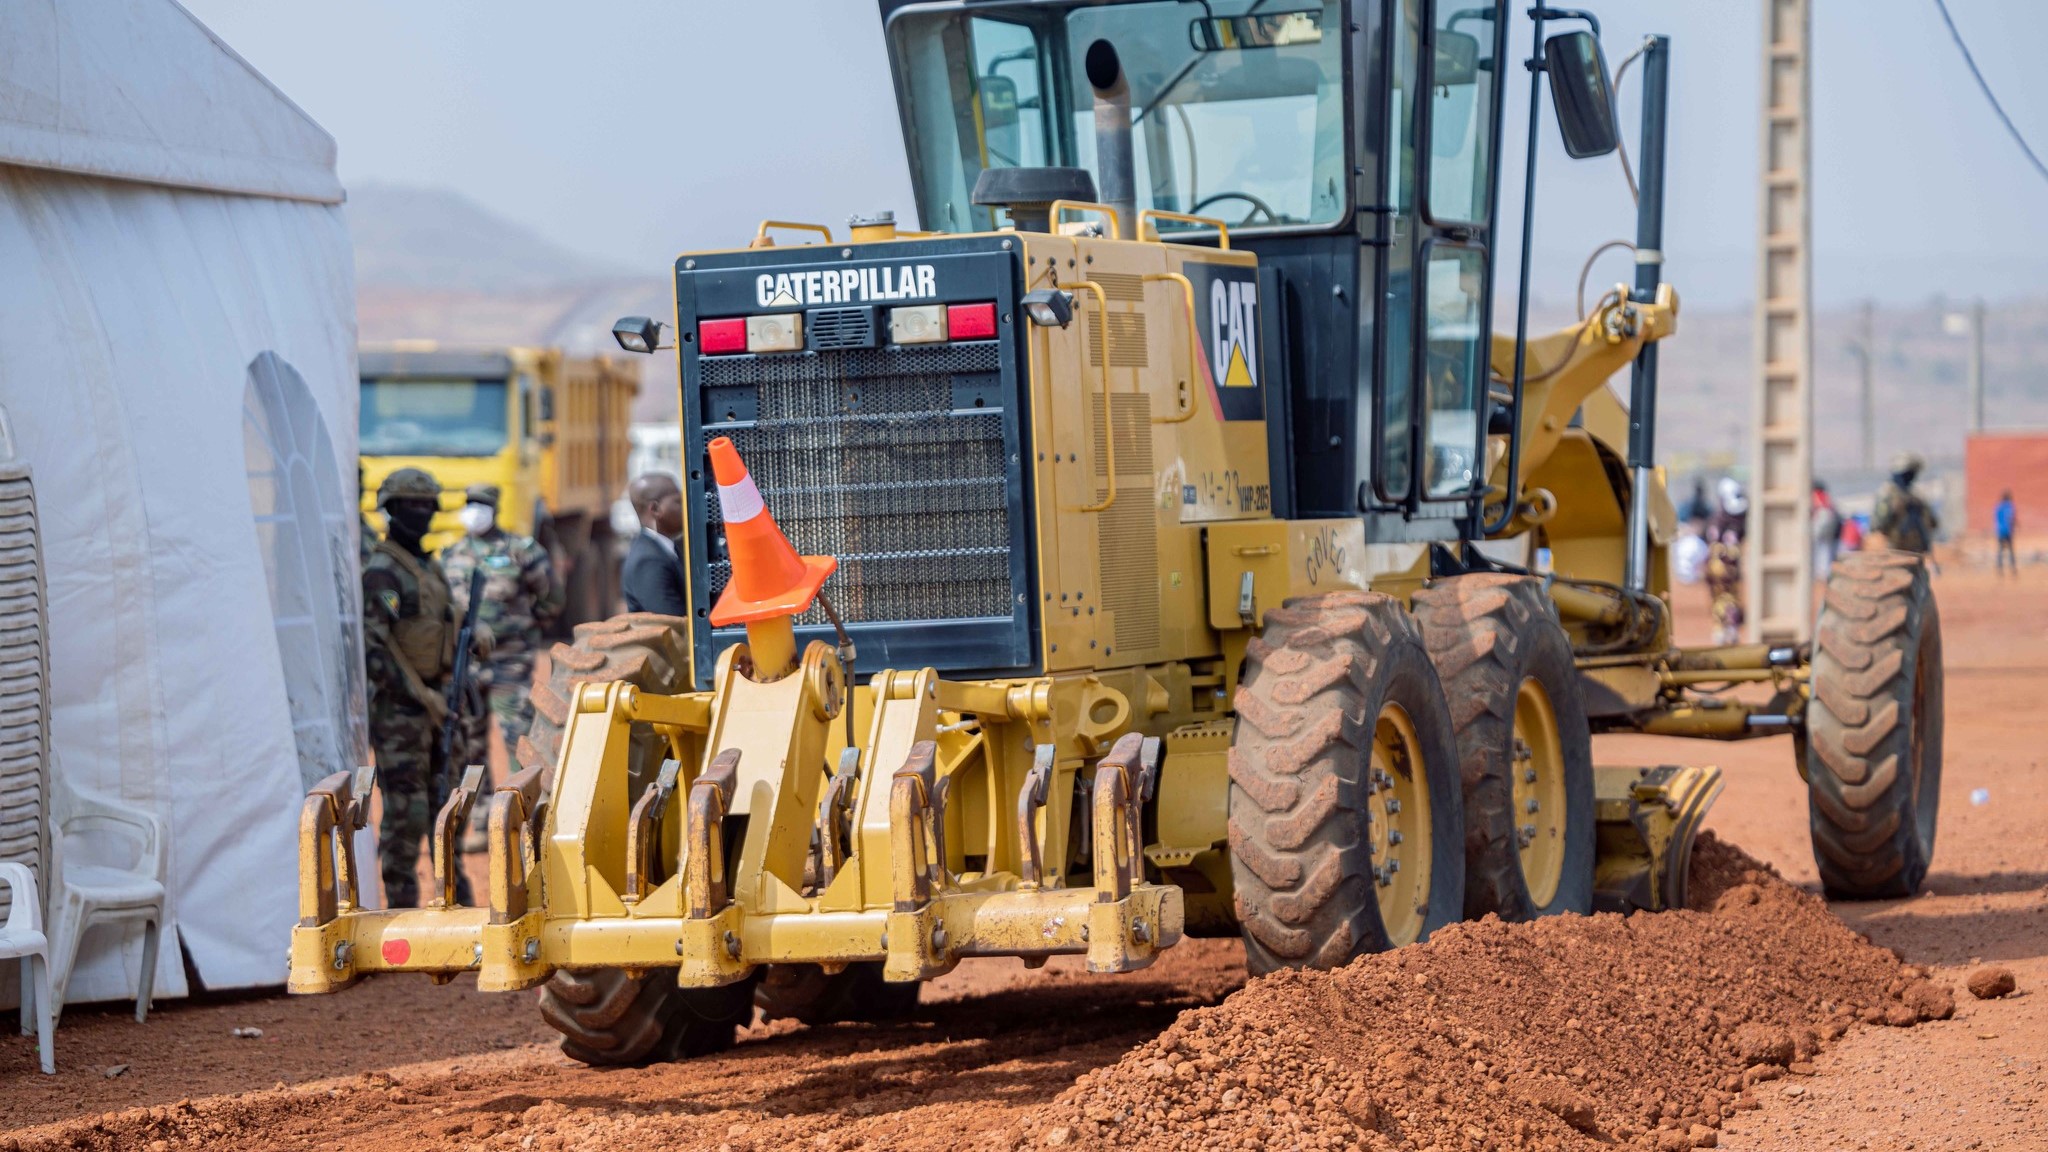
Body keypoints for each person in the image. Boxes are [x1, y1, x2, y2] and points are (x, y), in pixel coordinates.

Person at [363, 468, 482, 907]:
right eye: (411, 506)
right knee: (406, 816)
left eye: (426, 506)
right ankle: (401, 910)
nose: (421, 514)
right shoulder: (383, 571)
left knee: (448, 808)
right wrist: (423, 698)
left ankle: (455, 904)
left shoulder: (428, 566)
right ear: (391, 510)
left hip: (440, 704)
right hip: (401, 713)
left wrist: (475, 633)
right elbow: (376, 649)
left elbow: (440, 620)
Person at [440, 485, 563, 846]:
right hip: (467, 664)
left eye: (480, 504)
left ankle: (521, 814)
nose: (473, 511)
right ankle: (480, 818)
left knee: (518, 735)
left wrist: (525, 628)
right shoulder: (451, 554)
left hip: (511, 660)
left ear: (494, 508)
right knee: (469, 739)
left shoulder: (520, 550)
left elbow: (551, 597)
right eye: (469, 504)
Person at [623, 472, 690, 616]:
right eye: (678, 502)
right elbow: (671, 620)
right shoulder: (648, 561)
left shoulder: (664, 548)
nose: (685, 508)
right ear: (655, 509)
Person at [1704, 477, 1747, 646]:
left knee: (1725, 599)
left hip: (1722, 566)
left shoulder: (1717, 521)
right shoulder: (1721, 522)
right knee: (1724, 600)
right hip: (1723, 566)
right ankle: (1724, 629)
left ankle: (1725, 629)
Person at [1871, 452, 1940, 559]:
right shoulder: (1887, 494)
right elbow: (1878, 525)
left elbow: (1933, 522)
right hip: (1895, 552)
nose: (1911, 478)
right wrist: (1897, 510)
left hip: (1916, 552)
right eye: (1908, 474)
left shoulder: (1916, 496)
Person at [1811, 480, 1843, 583]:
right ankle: (1824, 574)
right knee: (1825, 550)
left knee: (1819, 549)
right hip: (1830, 524)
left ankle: (1821, 576)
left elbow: (1816, 508)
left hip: (1822, 521)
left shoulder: (1817, 495)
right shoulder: (1826, 496)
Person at [1995, 489, 2018, 577]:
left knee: (2000, 550)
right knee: (2011, 551)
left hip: (2000, 531)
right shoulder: (2010, 506)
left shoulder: (1998, 507)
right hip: (2008, 531)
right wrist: (2015, 524)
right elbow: (2011, 518)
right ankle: (2013, 568)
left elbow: (1996, 519)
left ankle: (2000, 568)